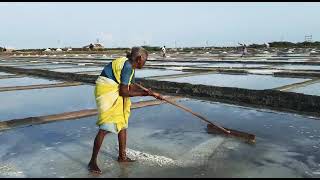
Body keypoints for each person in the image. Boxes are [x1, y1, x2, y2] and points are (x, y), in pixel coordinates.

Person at [88, 47, 162, 174]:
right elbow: (124, 91)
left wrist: (149, 92)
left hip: (115, 88)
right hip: (107, 90)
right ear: (138, 59)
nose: (145, 62)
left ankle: (122, 157)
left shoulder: (131, 67)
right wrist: (144, 94)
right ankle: (92, 162)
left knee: (122, 124)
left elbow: (131, 85)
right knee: (106, 127)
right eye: (145, 60)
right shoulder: (127, 66)